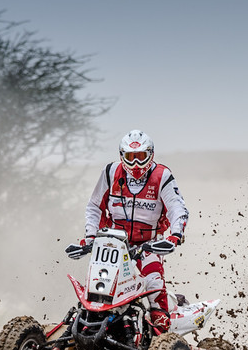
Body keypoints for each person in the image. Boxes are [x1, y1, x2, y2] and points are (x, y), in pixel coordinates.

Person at [75, 129, 189, 334]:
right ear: (122, 156)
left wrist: (175, 236)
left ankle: (162, 340)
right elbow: (94, 206)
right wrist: (90, 237)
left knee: (153, 284)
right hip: (113, 244)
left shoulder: (162, 176)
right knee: (97, 288)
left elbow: (177, 208)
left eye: (140, 157)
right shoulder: (110, 172)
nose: (135, 164)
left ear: (150, 155)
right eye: (130, 157)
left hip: (149, 244)